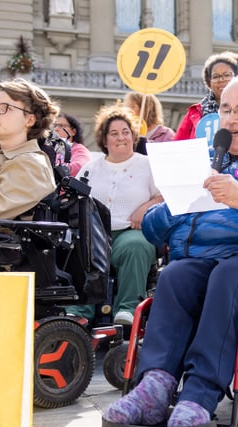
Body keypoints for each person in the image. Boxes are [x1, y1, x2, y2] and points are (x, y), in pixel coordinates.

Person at [103, 75, 238, 427]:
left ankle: (200, 394)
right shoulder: (203, 159)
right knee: (175, 274)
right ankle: (154, 387)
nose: (230, 118)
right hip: (199, 257)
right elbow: (151, 229)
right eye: (225, 109)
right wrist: (179, 201)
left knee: (228, 274)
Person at [71, 104, 162, 326]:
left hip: (130, 231)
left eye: (126, 132)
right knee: (78, 246)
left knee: (136, 246)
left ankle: (128, 309)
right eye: (114, 133)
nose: (121, 137)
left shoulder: (148, 165)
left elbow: (164, 197)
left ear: (133, 136)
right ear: (104, 140)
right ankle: (78, 311)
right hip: (96, 233)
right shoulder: (91, 169)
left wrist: (145, 207)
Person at [173, 51, 238, 142]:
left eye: (227, 75)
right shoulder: (194, 113)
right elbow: (177, 147)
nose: (221, 80)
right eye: (215, 77)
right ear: (209, 81)